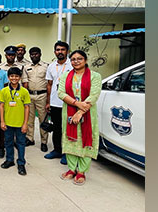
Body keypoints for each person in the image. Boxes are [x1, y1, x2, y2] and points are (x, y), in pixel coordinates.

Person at [58, 50, 102, 185]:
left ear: (85, 60)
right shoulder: (66, 76)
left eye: (79, 59)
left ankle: (82, 171)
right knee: (70, 140)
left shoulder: (95, 76)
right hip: (69, 111)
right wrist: (77, 104)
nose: (76, 61)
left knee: (85, 139)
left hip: (88, 114)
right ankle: (71, 169)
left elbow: (94, 95)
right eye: (73, 59)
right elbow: (60, 93)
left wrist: (80, 112)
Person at [0, 67, 31, 176]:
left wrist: (25, 124)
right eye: (12, 76)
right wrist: (2, 121)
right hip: (8, 123)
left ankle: (21, 163)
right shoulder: (4, 91)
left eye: (16, 76)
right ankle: (9, 160)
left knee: (21, 143)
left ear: (20, 78)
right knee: (8, 142)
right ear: (8, 77)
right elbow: (1, 106)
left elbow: (27, 108)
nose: (14, 78)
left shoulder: (24, 91)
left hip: (20, 123)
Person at [45, 41, 73, 165]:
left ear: (67, 51)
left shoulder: (72, 65)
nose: (60, 52)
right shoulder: (51, 66)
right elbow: (49, 85)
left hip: (69, 103)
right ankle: (57, 150)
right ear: (54, 51)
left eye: (62, 49)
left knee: (67, 129)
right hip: (55, 103)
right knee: (56, 128)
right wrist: (48, 102)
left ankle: (67, 153)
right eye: (57, 50)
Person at [22, 46, 50, 152]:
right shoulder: (26, 67)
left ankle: (44, 142)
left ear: (40, 54)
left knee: (43, 119)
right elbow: (25, 82)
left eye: (36, 54)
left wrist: (48, 100)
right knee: (29, 119)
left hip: (42, 95)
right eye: (32, 54)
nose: (34, 56)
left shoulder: (46, 66)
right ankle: (30, 138)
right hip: (29, 95)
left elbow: (49, 83)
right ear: (29, 55)